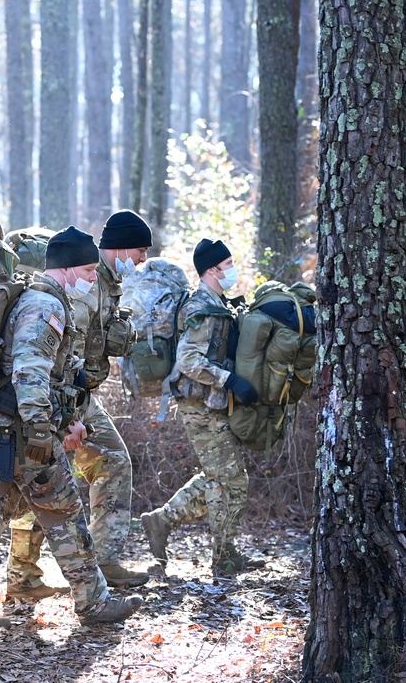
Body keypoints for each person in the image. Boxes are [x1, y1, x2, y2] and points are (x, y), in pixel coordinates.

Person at [0, 226, 143, 634]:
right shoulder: (43, 305)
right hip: (23, 434)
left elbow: (55, 376)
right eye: (87, 270)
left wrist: (63, 419)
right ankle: (94, 602)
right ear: (65, 269)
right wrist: (40, 432)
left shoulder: (36, 298)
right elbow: (31, 371)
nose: (91, 278)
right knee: (64, 514)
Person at [6, 210, 154, 598]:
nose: (142, 259)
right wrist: (65, 408)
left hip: (78, 395)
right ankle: (23, 575)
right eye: (140, 250)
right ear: (120, 246)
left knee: (108, 462)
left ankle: (101, 560)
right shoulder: (86, 281)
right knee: (46, 478)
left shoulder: (108, 281)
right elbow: (62, 348)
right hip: (62, 396)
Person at [139, 238, 267, 575]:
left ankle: (162, 521)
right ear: (211, 270)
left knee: (222, 477)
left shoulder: (217, 303)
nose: (232, 271)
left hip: (211, 404)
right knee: (231, 481)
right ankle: (223, 557)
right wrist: (228, 380)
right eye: (227, 266)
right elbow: (188, 360)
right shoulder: (200, 308)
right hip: (199, 406)